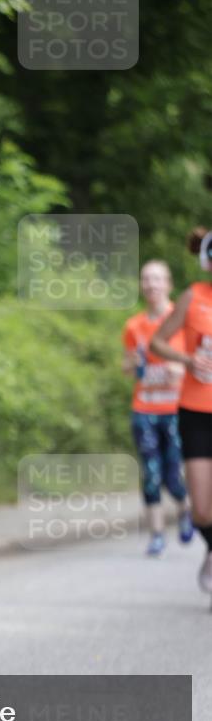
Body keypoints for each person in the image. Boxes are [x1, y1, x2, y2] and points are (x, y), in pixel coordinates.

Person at [150, 227, 212, 596]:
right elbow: (157, 342)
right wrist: (187, 359)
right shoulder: (193, 297)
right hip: (196, 411)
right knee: (202, 510)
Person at [121, 260, 191, 556]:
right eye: (146, 279)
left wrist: (180, 370)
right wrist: (133, 364)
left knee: (173, 474)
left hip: (176, 408)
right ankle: (157, 535)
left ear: (168, 284)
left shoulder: (184, 320)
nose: (151, 284)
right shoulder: (134, 326)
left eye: (157, 279)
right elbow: (126, 365)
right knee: (151, 472)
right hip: (145, 408)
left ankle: (187, 508)